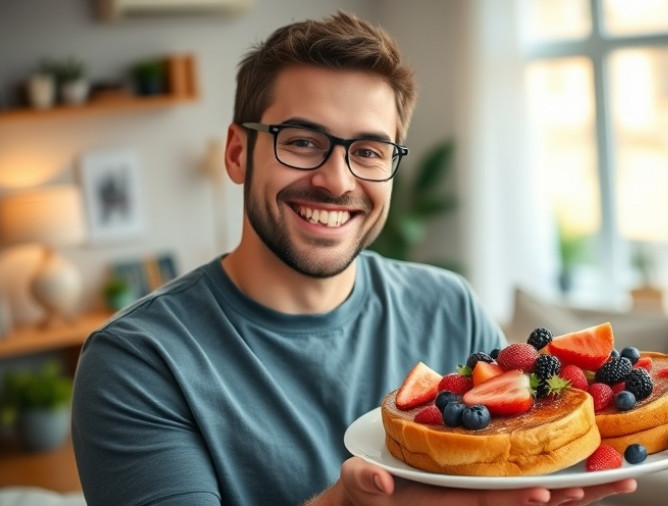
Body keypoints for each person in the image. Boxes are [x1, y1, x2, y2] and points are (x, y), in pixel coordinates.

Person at [71, 11, 637, 506]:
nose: (336, 180)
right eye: (300, 141)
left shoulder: (448, 305)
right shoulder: (137, 361)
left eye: (368, 151)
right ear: (238, 153)